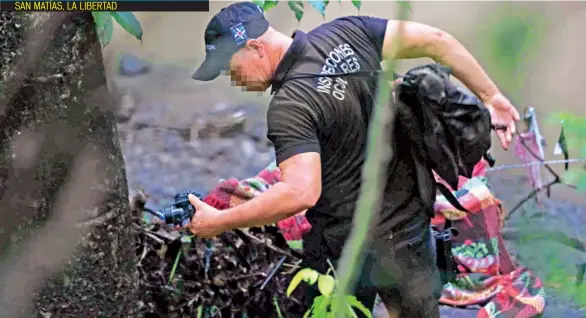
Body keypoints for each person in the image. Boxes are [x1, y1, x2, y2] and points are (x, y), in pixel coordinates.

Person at [188, 2, 520, 317]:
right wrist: (491, 96)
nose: (233, 80)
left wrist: (221, 222)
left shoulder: (290, 109)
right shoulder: (347, 32)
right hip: (408, 225)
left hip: (346, 246)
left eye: (230, 69)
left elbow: (300, 193)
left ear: (255, 48)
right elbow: (437, 40)